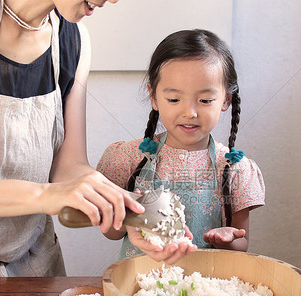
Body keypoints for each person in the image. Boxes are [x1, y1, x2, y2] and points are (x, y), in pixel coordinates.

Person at [0, 0, 191, 276]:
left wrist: (130, 211)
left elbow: (69, 168)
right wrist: (44, 195)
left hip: (32, 268)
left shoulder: (73, 39)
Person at [97, 29, 265, 259]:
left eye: (205, 100)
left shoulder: (234, 168)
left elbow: (242, 243)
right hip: (142, 285)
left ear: (226, 99)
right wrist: (129, 217)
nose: (190, 112)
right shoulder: (128, 158)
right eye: (174, 99)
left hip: (207, 285)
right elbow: (112, 234)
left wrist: (227, 239)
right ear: (154, 96)